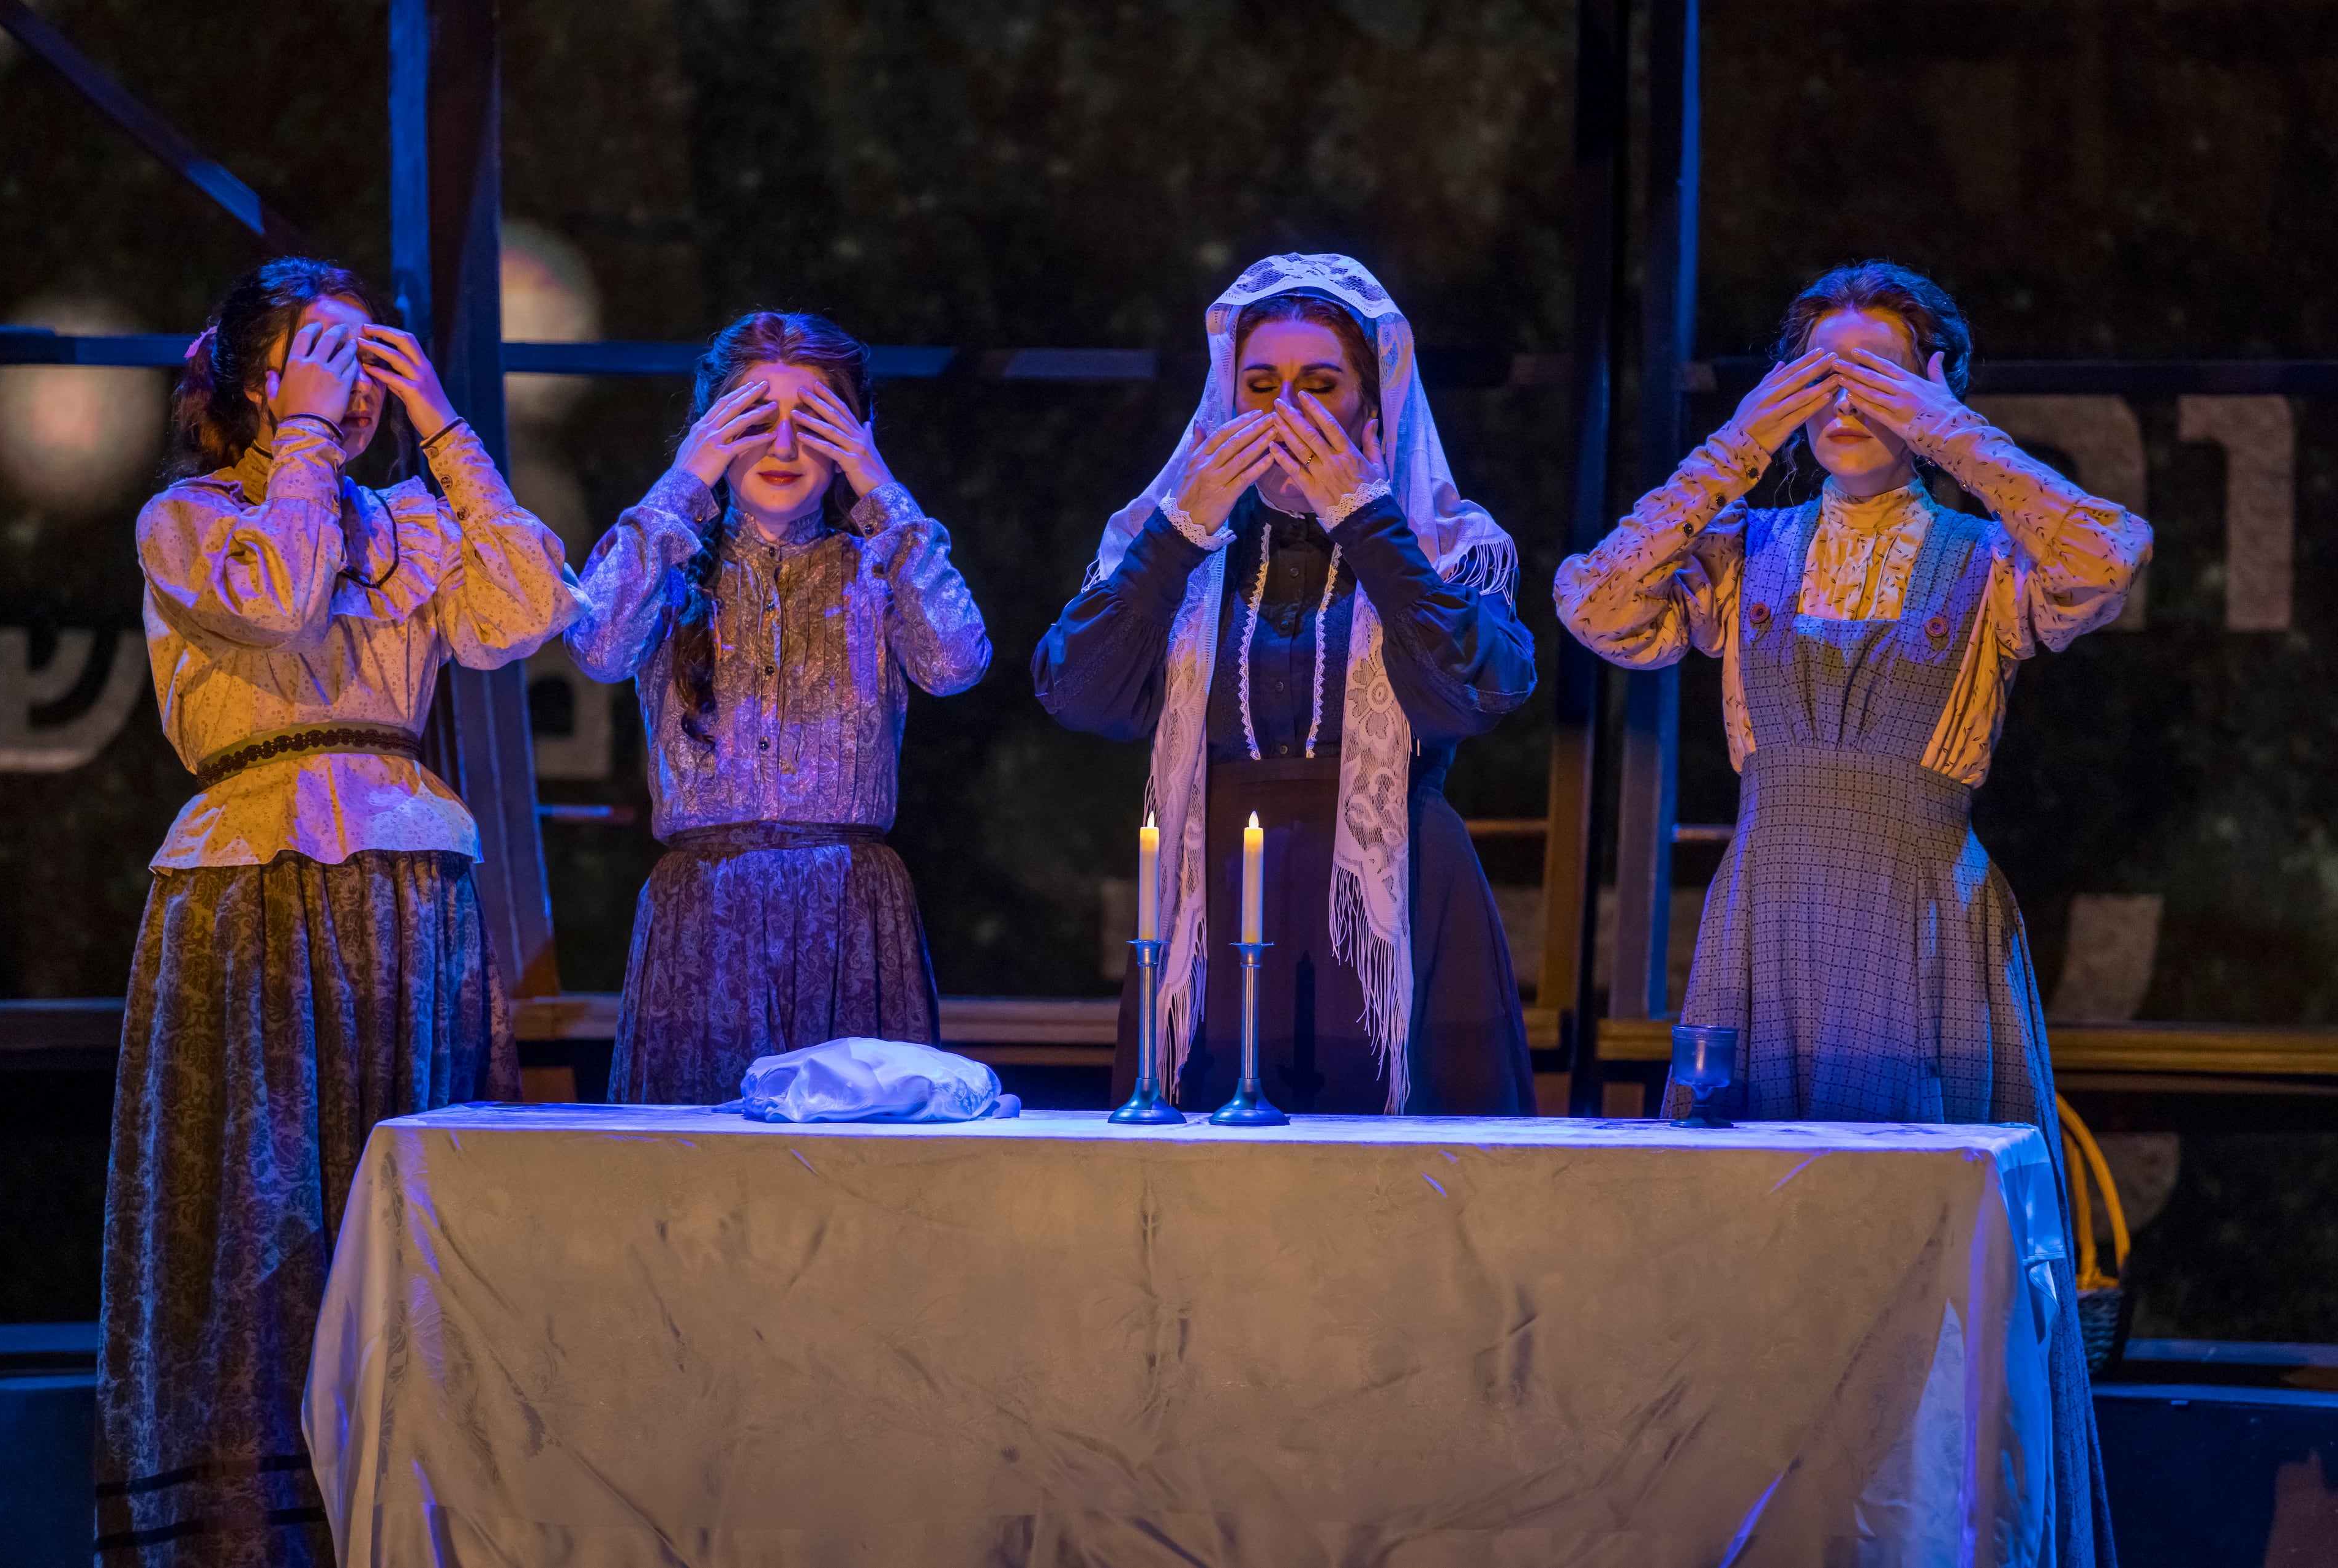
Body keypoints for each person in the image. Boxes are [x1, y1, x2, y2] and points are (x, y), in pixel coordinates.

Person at [1555, 260, 2146, 1566]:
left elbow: (2111, 552)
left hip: (1921, 924)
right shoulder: (1746, 550)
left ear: (1936, 389)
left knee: (1920, 1273)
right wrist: (1744, 434)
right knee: (1756, 1259)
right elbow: (1593, 600)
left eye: (1877, 372)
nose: (1846, 401)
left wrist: (1947, 430)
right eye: (1820, 373)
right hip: (1766, 926)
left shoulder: (1989, 562)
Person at [99, 257, 578, 1566]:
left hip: (408, 886)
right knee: (258, 1219)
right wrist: (307, 444)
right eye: (320, 354)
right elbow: (278, 601)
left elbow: (529, 610)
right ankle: (250, 1533)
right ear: (255, 377)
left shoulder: (405, 519)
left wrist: (448, 431)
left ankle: (413, 1505)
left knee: (413, 1200)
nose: (350, 385)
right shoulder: (193, 520)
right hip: (253, 881)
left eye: (366, 359)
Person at [1034, 254, 1536, 1115]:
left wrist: (1367, 522)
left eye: (1321, 385)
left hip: (1402, 897)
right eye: (1261, 385)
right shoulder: (1179, 545)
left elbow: (1479, 693)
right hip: (1214, 899)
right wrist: (1182, 530)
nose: (1288, 412)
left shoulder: (1441, 541)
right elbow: (1075, 692)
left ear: (1372, 403)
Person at [567, 312, 990, 1104]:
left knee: (851, 1157)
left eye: (815, 421)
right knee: (699, 1158)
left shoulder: (877, 569)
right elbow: (597, 643)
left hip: (850, 915)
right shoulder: (671, 568)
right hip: (704, 915)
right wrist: (684, 481)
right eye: (755, 419)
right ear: (713, 430)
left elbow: (957, 660)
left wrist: (880, 486)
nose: (785, 446)